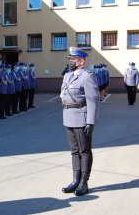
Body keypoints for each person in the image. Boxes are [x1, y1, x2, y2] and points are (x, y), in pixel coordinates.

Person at [60, 47, 99, 196]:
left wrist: (91, 121)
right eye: (69, 59)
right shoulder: (67, 76)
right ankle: (75, 180)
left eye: (73, 59)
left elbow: (93, 100)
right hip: (68, 116)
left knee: (84, 150)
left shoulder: (87, 76)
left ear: (81, 61)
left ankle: (84, 181)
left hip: (81, 118)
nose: (70, 61)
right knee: (74, 151)